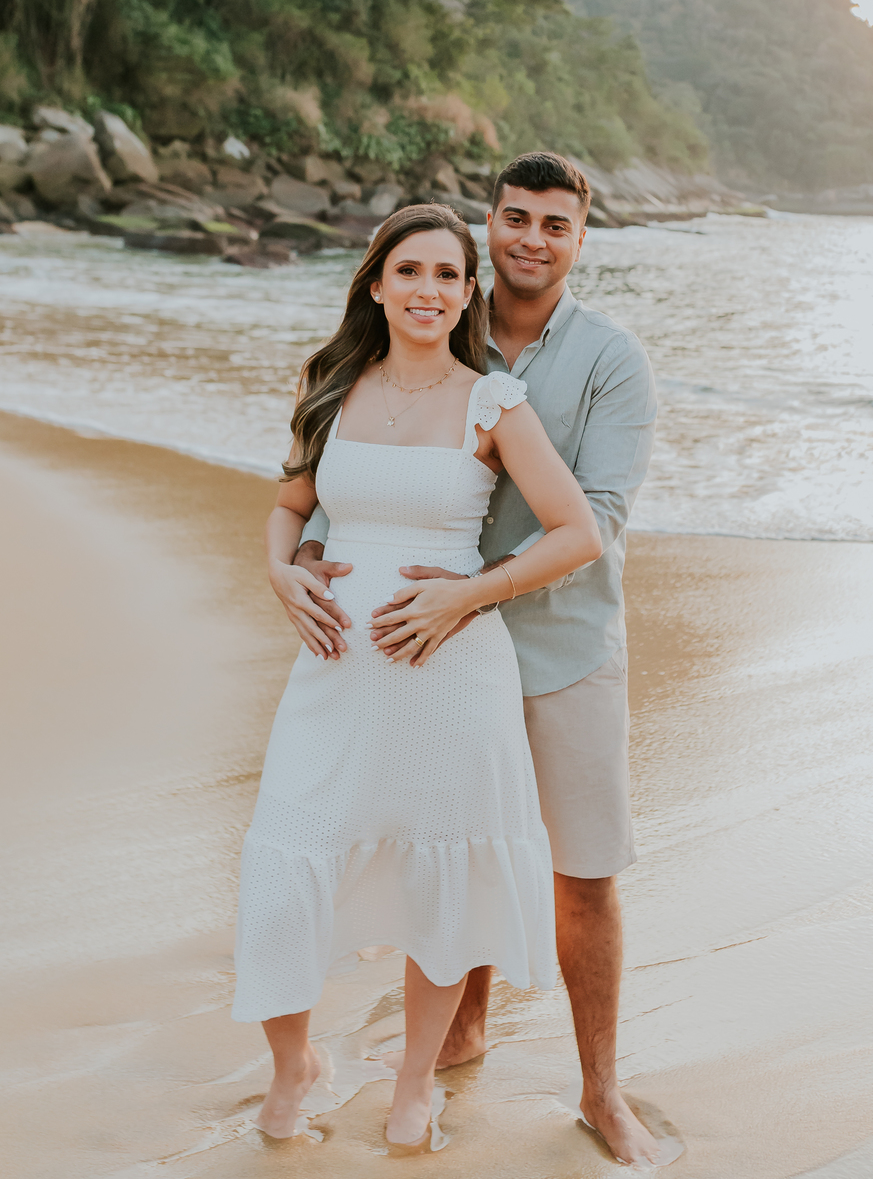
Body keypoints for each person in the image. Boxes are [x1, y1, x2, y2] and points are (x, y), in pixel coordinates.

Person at [282, 151, 665, 1166]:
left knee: (582, 873)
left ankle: (601, 1090)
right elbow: (357, 460)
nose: (532, 238)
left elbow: (599, 519)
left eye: (555, 224)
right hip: (426, 652)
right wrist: (309, 551)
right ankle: (460, 1031)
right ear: (488, 224)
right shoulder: (438, 319)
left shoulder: (611, 359)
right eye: (516, 218)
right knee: (449, 841)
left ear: (579, 240)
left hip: (561, 646)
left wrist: (468, 591)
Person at [235, 202, 602, 1149]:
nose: (427, 290)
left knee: (440, 877)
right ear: (375, 284)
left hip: (450, 675)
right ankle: (292, 1066)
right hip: (333, 673)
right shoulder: (331, 384)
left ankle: (412, 1087)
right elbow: (289, 506)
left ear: (469, 293)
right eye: (409, 271)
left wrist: (470, 594)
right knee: (284, 870)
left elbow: (578, 532)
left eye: (447, 274)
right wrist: (279, 569)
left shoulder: (493, 403)